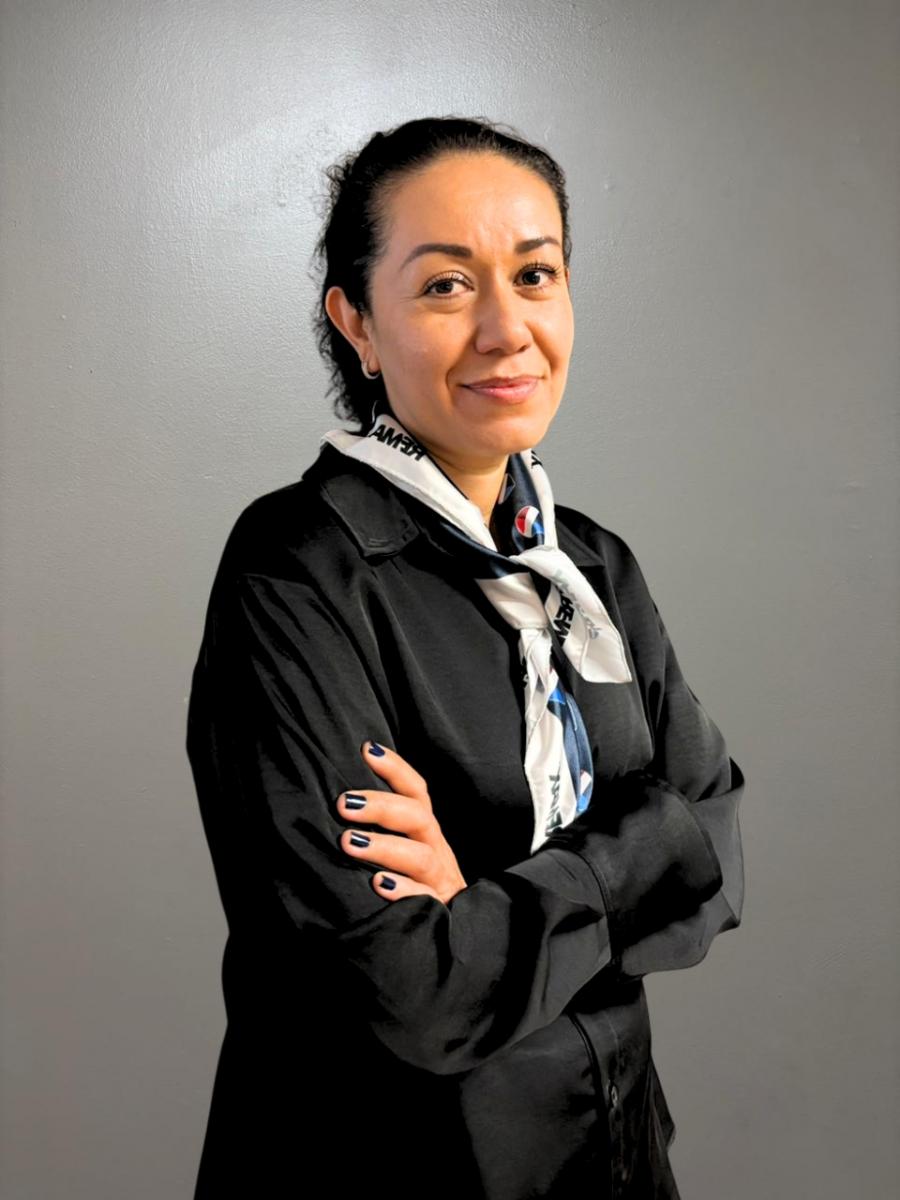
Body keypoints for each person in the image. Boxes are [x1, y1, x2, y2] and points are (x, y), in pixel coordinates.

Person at [186, 115, 746, 1199]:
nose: (505, 329)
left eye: (535, 275)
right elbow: (411, 987)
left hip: (613, 1157)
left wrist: (488, 901)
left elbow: (716, 849)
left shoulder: (591, 565)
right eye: (445, 286)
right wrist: (635, 849)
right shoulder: (296, 573)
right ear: (356, 322)